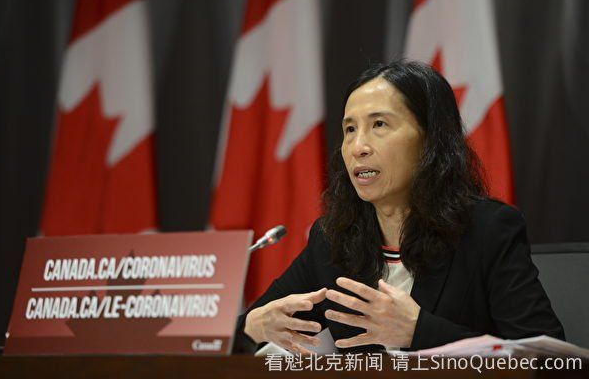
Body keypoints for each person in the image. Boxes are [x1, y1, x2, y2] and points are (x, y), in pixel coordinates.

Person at [232, 61, 565, 354]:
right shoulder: (332, 239)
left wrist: (418, 331)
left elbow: (550, 359)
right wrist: (252, 327)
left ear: (430, 139)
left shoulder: (486, 230)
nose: (358, 147)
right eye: (350, 129)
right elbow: (235, 337)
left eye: (379, 125)